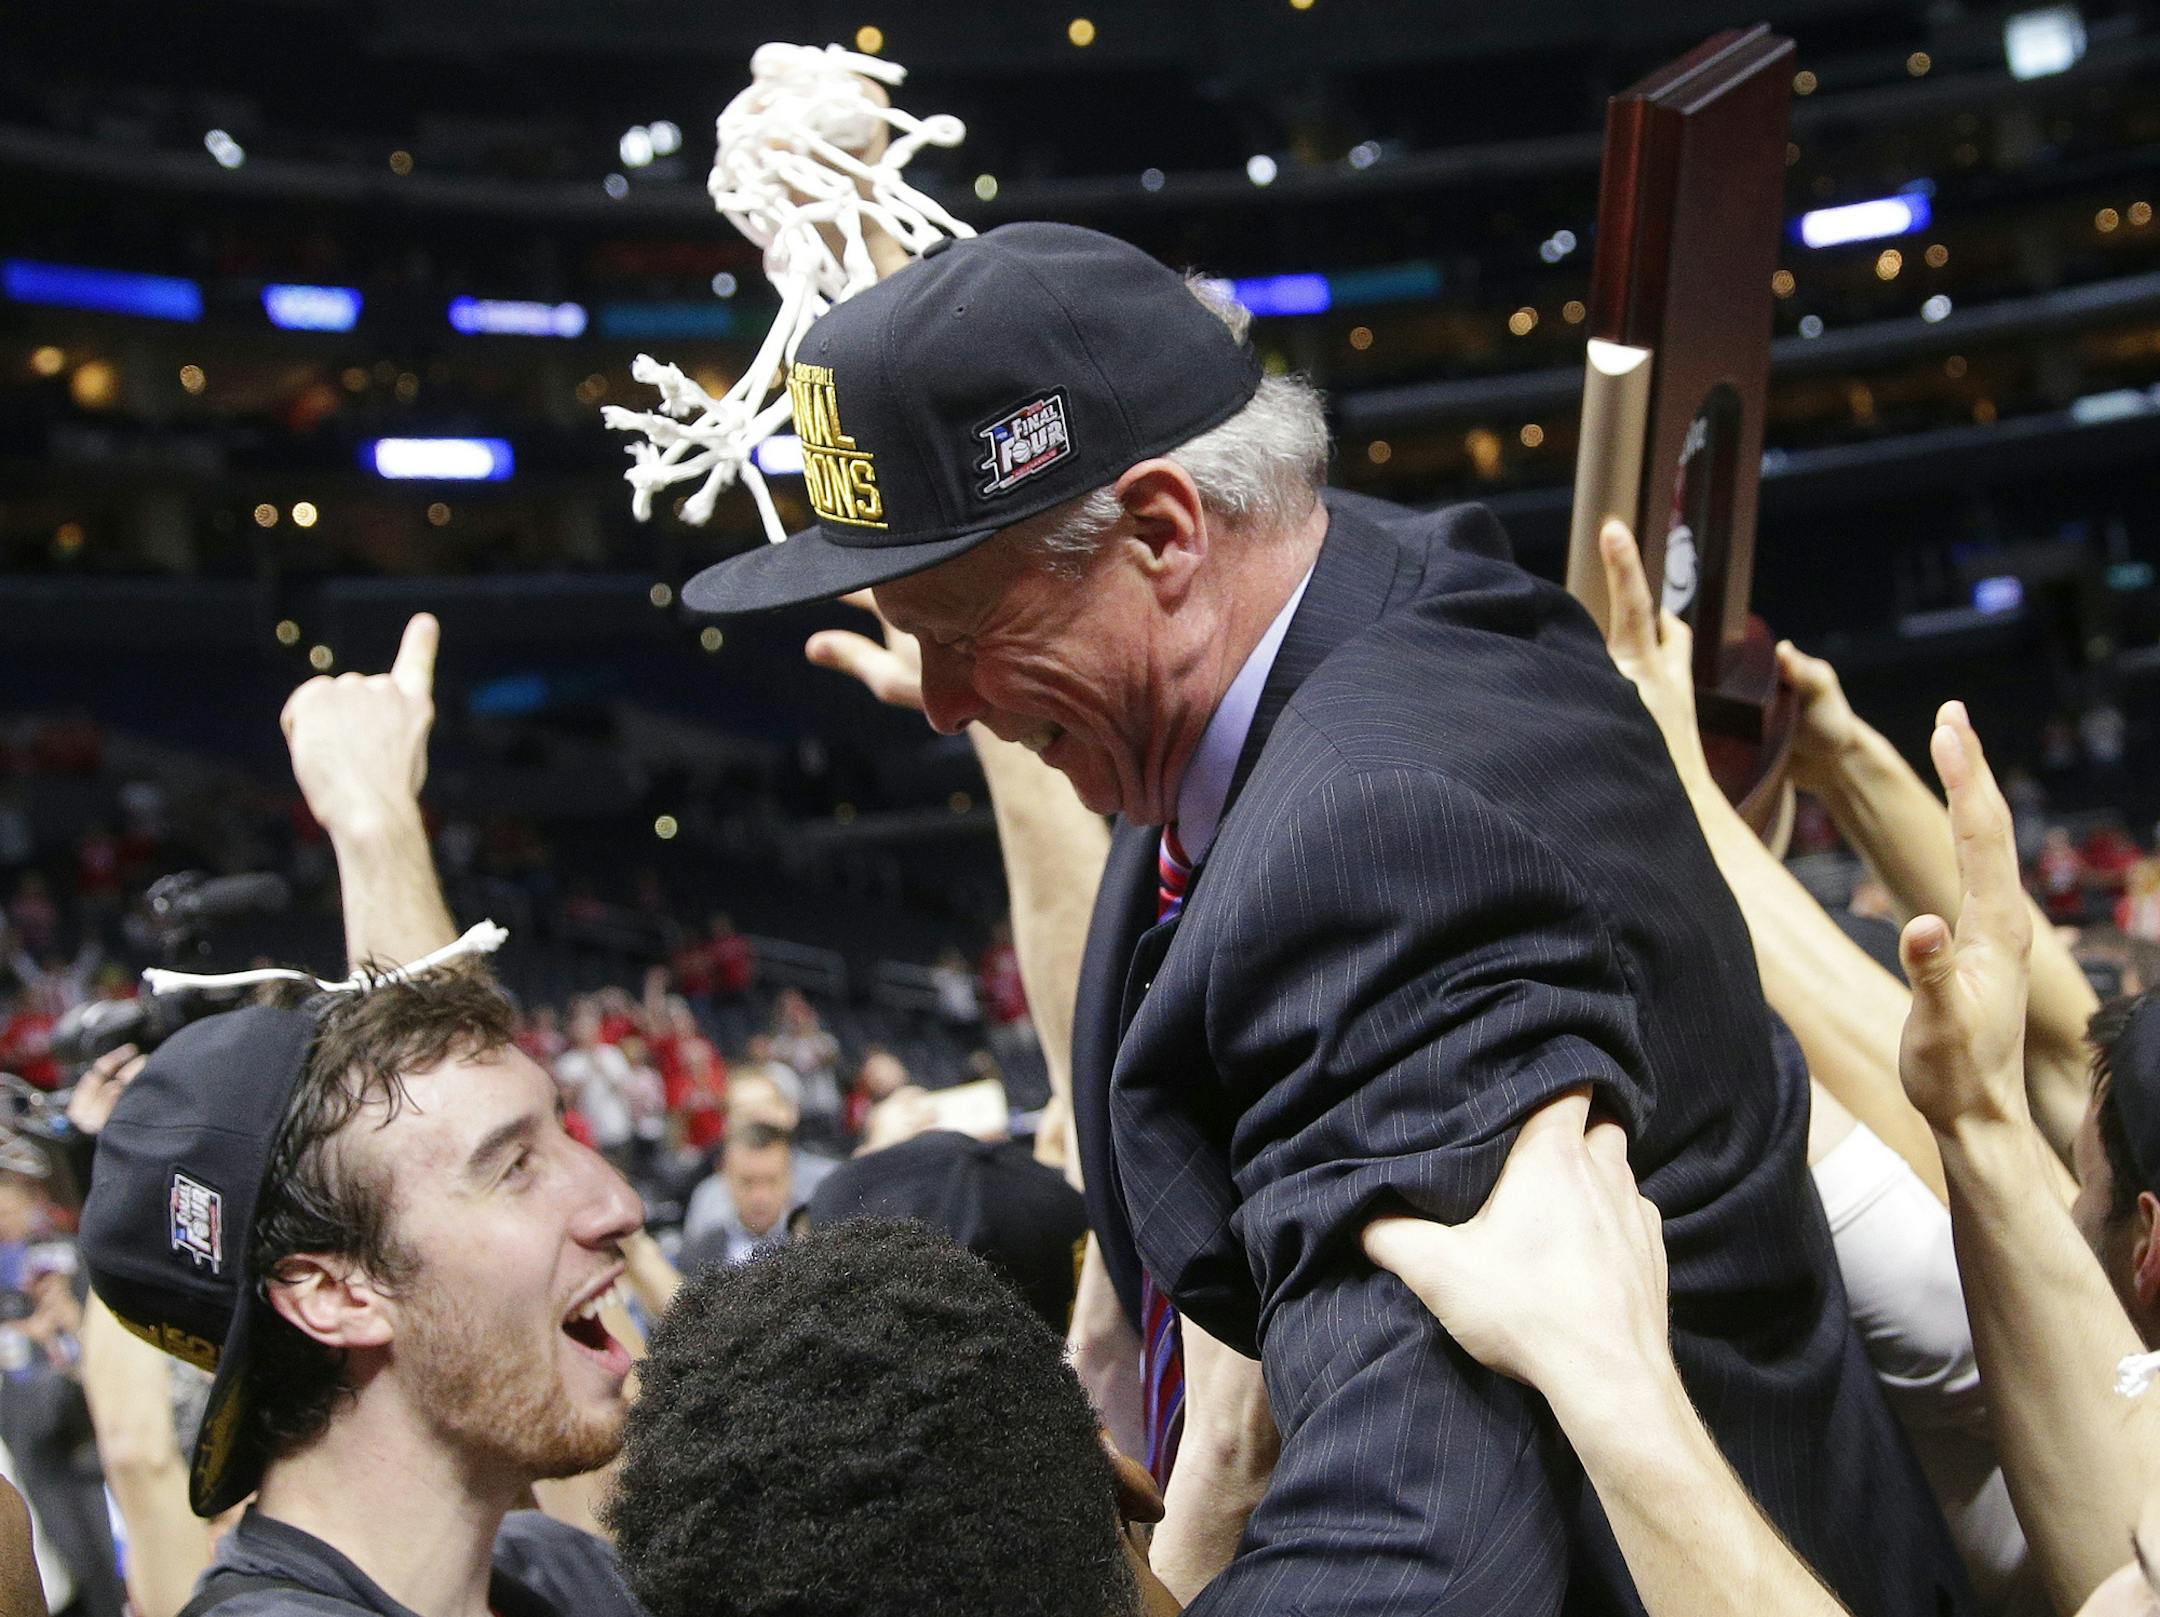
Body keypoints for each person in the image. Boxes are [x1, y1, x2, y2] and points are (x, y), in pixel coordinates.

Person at [686, 220, 1969, 1613]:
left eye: (958, 632)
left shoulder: (1382, 830)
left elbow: (1421, 1542)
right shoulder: (1328, 618)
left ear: (1167, 533)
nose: (938, 704)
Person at [76, 617, 649, 1617]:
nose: (618, 1202)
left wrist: (379, 826)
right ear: (333, 1294)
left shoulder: (556, 1573)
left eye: (557, 1133)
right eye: (511, 1166)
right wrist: (374, 829)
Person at [673, 1123, 794, 1273]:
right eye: (747, 1182)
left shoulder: (808, 1245)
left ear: (789, 1178)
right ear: (725, 1177)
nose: (760, 1197)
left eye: (771, 1181)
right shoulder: (698, 1253)